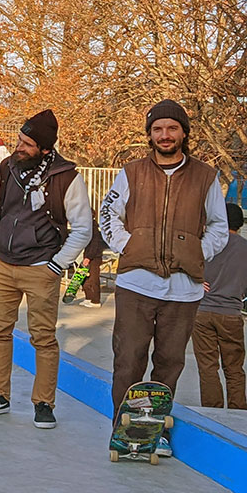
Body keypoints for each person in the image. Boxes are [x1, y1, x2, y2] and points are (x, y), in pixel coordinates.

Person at [99, 99, 228, 456]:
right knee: (128, 359)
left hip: (183, 289)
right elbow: (108, 213)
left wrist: (198, 252)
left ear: (184, 133)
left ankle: (154, 428)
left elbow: (219, 225)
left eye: (172, 128)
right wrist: (130, 245)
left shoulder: (206, 177)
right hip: (136, 284)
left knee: (170, 362)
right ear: (150, 134)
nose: (165, 135)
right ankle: (123, 429)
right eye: (157, 129)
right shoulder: (131, 172)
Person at [0, 109, 92, 428]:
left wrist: (57, 265)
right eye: (19, 139)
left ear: (44, 148)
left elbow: (83, 228)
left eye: (27, 143)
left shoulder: (66, 176)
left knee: (43, 337)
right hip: (1, 264)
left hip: (42, 267)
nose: (19, 146)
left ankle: (43, 403)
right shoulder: (6, 168)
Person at [191, 203, 246, 409]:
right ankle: (238, 411)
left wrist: (196, 282)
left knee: (207, 367)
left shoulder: (205, 245)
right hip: (231, 313)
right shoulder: (244, 248)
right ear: (240, 224)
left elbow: (185, 267)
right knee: (234, 368)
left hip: (202, 312)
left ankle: (212, 410)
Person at [79, 216, 105, 308]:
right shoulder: (88, 228)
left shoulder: (93, 229)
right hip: (88, 255)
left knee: (94, 279)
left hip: (94, 257)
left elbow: (94, 245)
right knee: (85, 278)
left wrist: (88, 257)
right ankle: (88, 297)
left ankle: (96, 301)